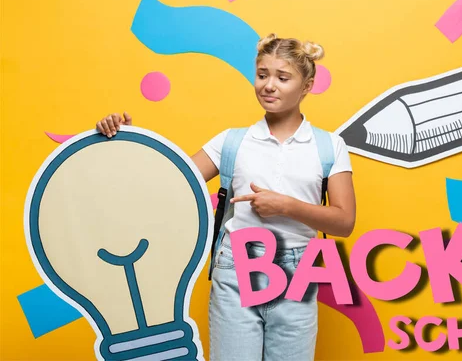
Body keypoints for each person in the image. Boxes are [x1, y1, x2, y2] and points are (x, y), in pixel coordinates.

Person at [95, 33, 356, 360]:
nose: (268, 85)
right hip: (235, 267)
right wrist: (130, 138)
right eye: (262, 75)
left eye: (282, 77)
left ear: (307, 85)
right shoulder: (231, 142)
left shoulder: (329, 146)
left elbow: (344, 221)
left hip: (297, 272)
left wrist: (285, 206)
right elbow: (168, 184)